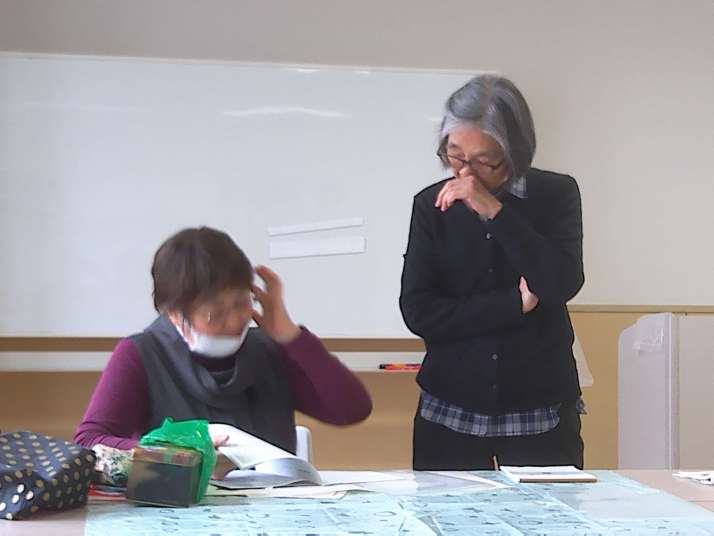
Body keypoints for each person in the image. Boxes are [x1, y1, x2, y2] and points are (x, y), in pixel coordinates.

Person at [400, 74, 585, 470]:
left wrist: (495, 211)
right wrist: (512, 304)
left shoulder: (555, 194)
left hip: (540, 407)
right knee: (442, 509)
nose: (466, 174)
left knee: (551, 509)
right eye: (455, 155)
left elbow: (560, 282)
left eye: (484, 161)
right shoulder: (430, 206)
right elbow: (419, 312)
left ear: (515, 151)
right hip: (449, 406)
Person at [75, 227, 372, 458]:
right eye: (214, 313)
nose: (234, 321)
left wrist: (290, 336)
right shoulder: (142, 355)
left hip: (270, 505)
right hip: (178, 507)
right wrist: (174, 454)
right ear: (174, 313)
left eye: (243, 303)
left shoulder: (268, 350)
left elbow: (351, 409)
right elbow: (89, 441)